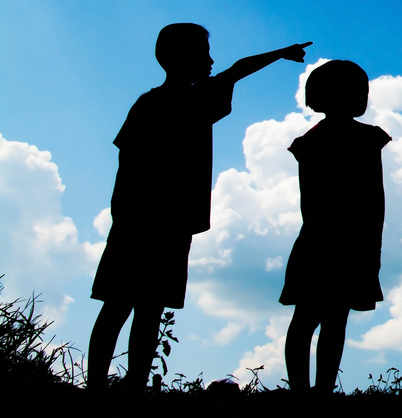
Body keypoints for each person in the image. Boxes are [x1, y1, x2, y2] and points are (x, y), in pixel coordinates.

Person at [87, 23, 311, 391]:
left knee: (121, 305)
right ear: (178, 58)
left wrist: (122, 212)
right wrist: (279, 54)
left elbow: (126, 162)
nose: (210, 60)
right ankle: (132, 386)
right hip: (167, 222)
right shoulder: (193, 100)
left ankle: (104, 386)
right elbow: (236, 69)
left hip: (138, 221)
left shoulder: (149, 103)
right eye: (202, 53)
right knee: (144, 308)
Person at [280, 59, 391, 393]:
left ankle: (306, 391)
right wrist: (372, 244)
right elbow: (375, 199)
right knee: (328, 320)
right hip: (346, 241)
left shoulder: (311, 141)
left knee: (312, 318)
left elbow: (313, 202)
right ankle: (316, 391)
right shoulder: (367, 139)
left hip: (320, 238)